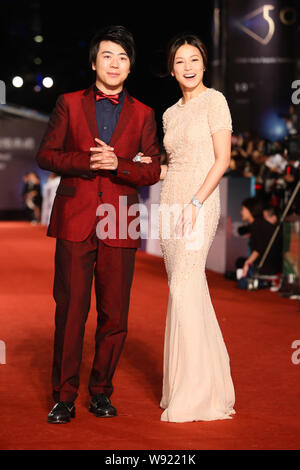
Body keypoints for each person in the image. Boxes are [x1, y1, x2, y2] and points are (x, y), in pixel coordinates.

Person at [36, 25, 161, 424]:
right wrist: (88, 161)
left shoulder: (143, 113)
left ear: (130, 67)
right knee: (71, 311)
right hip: (76, 221)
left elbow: (153, 170)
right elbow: (47, 154)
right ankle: (64, 396)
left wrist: (120, 165)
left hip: (120, 223)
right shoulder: (69, 104)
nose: (114, 63)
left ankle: (101, 392)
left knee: (115, 316)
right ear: (94, 62)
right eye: (107, 55)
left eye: (122, 58)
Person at [140, 33, 235, 422]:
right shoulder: (169, 114)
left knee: (184, 286)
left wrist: (196, 203)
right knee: (184, 292)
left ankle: (198, 394)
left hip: (199, 202)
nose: (188, 67)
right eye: (180, 61)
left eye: (193, 59)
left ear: (204, 63)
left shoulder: (216, 101)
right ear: (172, 68)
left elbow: (223, 159)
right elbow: (170, 165)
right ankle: (188, 384)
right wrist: (142, 165)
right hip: (169, 202)